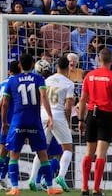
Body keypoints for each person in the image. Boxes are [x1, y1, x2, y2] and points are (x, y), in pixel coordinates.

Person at [0, 53, 62, 195]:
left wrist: (4, 121)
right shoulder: (39, 79)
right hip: (34, 121)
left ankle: (14, 187)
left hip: (18, 121)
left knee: (14, 155)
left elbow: (4, 103)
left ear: (20, 65)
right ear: (33, 65)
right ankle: (51, 188)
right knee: (43, 155)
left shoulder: (12, 81)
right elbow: (44, 96)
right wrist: (50, 116)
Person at [78, 48, 112, 196]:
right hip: (106, 115)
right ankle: (96, 189)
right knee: (101, 154)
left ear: (99, 59)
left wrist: (81, 119)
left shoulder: (89, 76)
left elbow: (82, 99)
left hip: (91, 114)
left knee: (89, 152)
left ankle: (84, 188)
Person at [29, 56, 75, 192]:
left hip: (43, 114)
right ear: (68, 68)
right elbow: (68, 107)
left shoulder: (46, 80)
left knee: (42, 149)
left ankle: (32, 179)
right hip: (57, 115)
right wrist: (67, 121)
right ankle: (61, 176)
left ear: (56, 67)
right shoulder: (69, 83)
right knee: (68, 148)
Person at [0, 61, 20, 190]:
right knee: (4, 150)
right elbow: (3, 101)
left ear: (9, 71)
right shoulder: (15, 83)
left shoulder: (3, 83)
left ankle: (1, 178)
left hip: (4, 118)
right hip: (8, 119)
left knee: (9, 150)